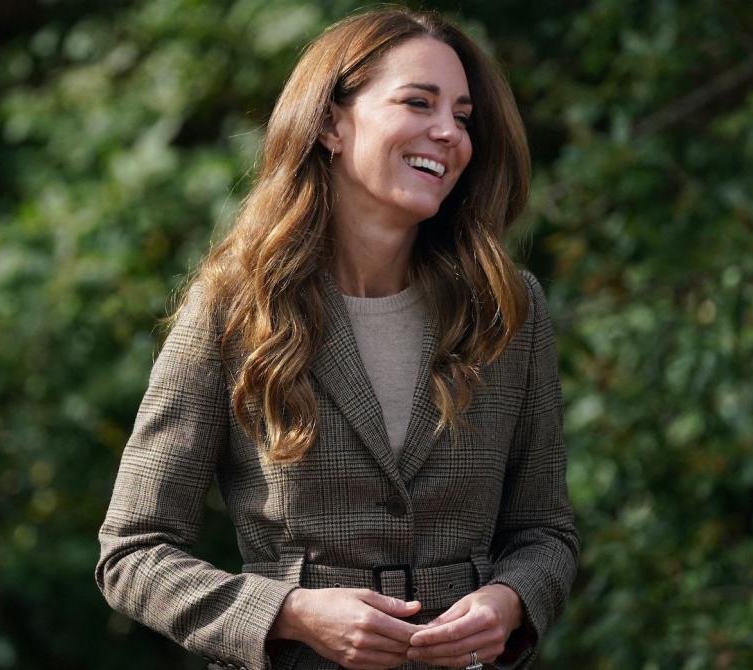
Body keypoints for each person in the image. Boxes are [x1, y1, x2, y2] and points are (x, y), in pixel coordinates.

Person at [95, 7, 579, 670]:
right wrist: (289, 613)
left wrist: (509, 601)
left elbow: (546, 532)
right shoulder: (235, 309)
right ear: (330, 123)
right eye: (418, 102)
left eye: (464, 116)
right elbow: (132, 552)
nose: (448, 132)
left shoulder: (507, 309)